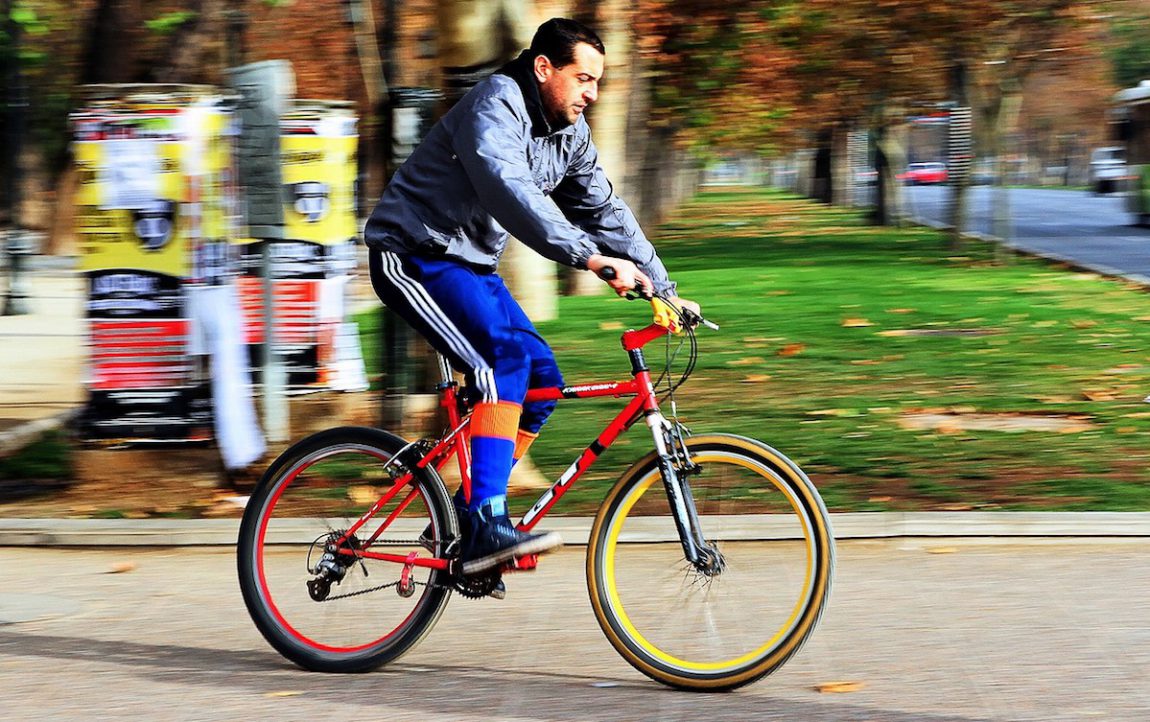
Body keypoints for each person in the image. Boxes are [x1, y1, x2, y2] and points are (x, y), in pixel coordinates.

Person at [364, 17, 700, 575]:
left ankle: (463, 510)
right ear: (544, 68)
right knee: (505, 361)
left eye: (598, 82)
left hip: (469, 268)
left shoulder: (570, 135)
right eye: (583, 79)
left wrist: (664, 290)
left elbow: (605, 212)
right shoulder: (494, 104)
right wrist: (589, 258)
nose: (592, 93)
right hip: (412, 255)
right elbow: (510, 190)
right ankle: (483, 520)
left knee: (541, 382)